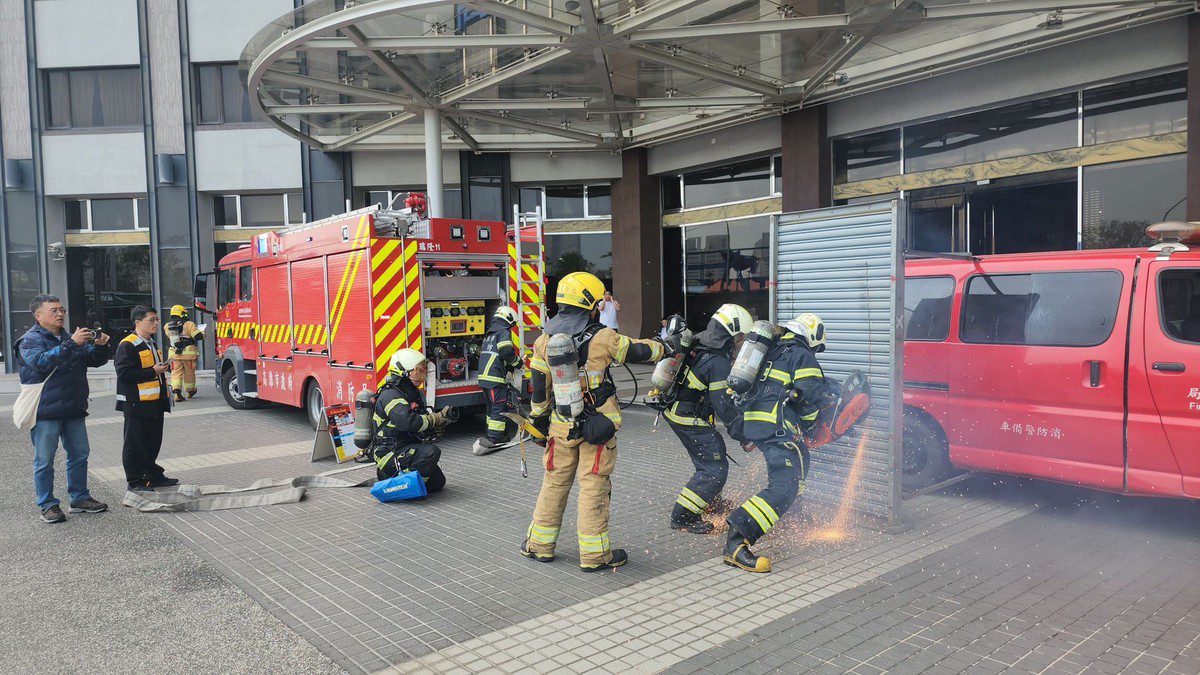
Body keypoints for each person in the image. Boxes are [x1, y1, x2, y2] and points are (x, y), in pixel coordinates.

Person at [520, 271, 669, 572]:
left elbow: (537, 391)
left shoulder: (544, 341)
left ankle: (539, 545)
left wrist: (537, 423)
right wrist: (664, 347)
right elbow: (637, 350)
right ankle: (594, 555)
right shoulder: (603, 337)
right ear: (589, 302)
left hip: (560, 426)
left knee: (554, 483)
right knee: (593, 485)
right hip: (597, 425)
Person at [723, 313, 831, 573]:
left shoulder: (772, 349)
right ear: (812, 336)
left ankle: (793, 514)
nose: (815, 352)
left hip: (760, 425)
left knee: (801, 461)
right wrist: (812, 424)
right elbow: (807, 399)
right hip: (777, 428)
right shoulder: (801, 354)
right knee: (784, 486)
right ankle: (736, 541)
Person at [18, 294, 112, 523]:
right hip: (45, 412)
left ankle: (79, 498)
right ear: (38, 315)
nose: (60, 314)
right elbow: (40, 362)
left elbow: (92, 360)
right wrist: (72, 344)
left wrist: (100, 347)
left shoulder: (69, 337)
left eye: (62, 310)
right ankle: (48, 505)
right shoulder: (29, 340)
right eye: (54, 310)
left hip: (73, 408)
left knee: (80, 455)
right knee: (44, 460)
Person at [664, 304, 752, 534]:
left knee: (709, 455)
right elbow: (723, 404)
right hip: (688, 415)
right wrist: (742, 433)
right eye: (742, 337)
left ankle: (710, 502)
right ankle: (683, 516)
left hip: (680, 410)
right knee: (714, 467)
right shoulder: (718, 360)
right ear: (733, 333)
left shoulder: (700, 343)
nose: (742, 343)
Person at [372, 348, 451, 493]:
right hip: (390, 452)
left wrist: (436, 428)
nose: (422, 373)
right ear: (404, 372)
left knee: (438, 482)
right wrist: (434, 419)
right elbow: (408, 422)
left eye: (423, 369)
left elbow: (417, 425)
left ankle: (401, 480)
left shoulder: (412, 393)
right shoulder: (390, 395)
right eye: (418, 369)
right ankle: (402, 486)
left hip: (405, 447)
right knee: (431, 453)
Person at [115, 305, 174, 492]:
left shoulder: (151, 342)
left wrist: (162, 369)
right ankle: (135, 482)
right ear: (138, 322)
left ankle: (153, 475)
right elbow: (124, 374)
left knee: (152, 441)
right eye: (152, 320)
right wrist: (152, 371)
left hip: (155, 402)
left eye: (157, 319)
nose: (156, 323)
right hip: (136, 404)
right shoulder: (128, 344)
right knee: (135, 444)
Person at [474, 306, 521, 456]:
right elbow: (506, 352)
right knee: (498, 408)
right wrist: (517, 363)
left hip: (485, 377)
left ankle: (494, 434)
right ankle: (495, 439)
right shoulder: (503, 332)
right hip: (495, 378)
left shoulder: (490, 334)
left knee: (491, 408)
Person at [164, 304, 203, 402]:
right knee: (189, 374)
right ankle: (190, 391)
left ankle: (177, 393)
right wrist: (202, 332)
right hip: (188, 355)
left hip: (174, 355)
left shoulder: (167, 326)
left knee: (176, 373)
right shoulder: (189, 324)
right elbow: (198, 336)